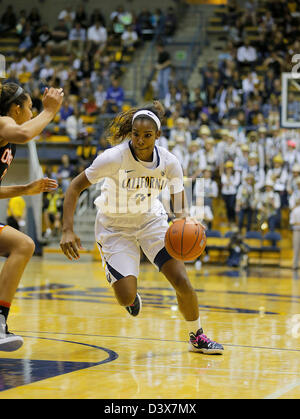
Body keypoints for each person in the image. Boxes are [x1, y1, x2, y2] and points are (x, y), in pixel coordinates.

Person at [60, 101, 224, 355]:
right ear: (131, 132)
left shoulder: (169, 162)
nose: (140, 140)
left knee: (181, 280)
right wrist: (67, 230)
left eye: (147, 135)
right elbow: (74, 187)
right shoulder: (113, 157)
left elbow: (179, 202)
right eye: (136, 134)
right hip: (114, 226)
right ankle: (127, 290)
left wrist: (185, 221)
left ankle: (197, 336)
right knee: (125, 297)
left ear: (157, 136)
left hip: (150, 220)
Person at [0, 82, 63, 351]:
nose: (31, 112)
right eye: (29, 107)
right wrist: (49, 111)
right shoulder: (3, 122)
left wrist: (24, 189)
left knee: (23, 245)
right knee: (23, 245)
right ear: (15, 110)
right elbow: (26, 132)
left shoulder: (8, 142)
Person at [290, 197, 300, 271]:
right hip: (297, 231)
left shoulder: (294, 210)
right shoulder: (295, 210)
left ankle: (295, 265)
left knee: (296, 249)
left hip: (296, 230)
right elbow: (292, 222)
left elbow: (292, 222)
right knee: (296, 249)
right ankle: (295, 265)